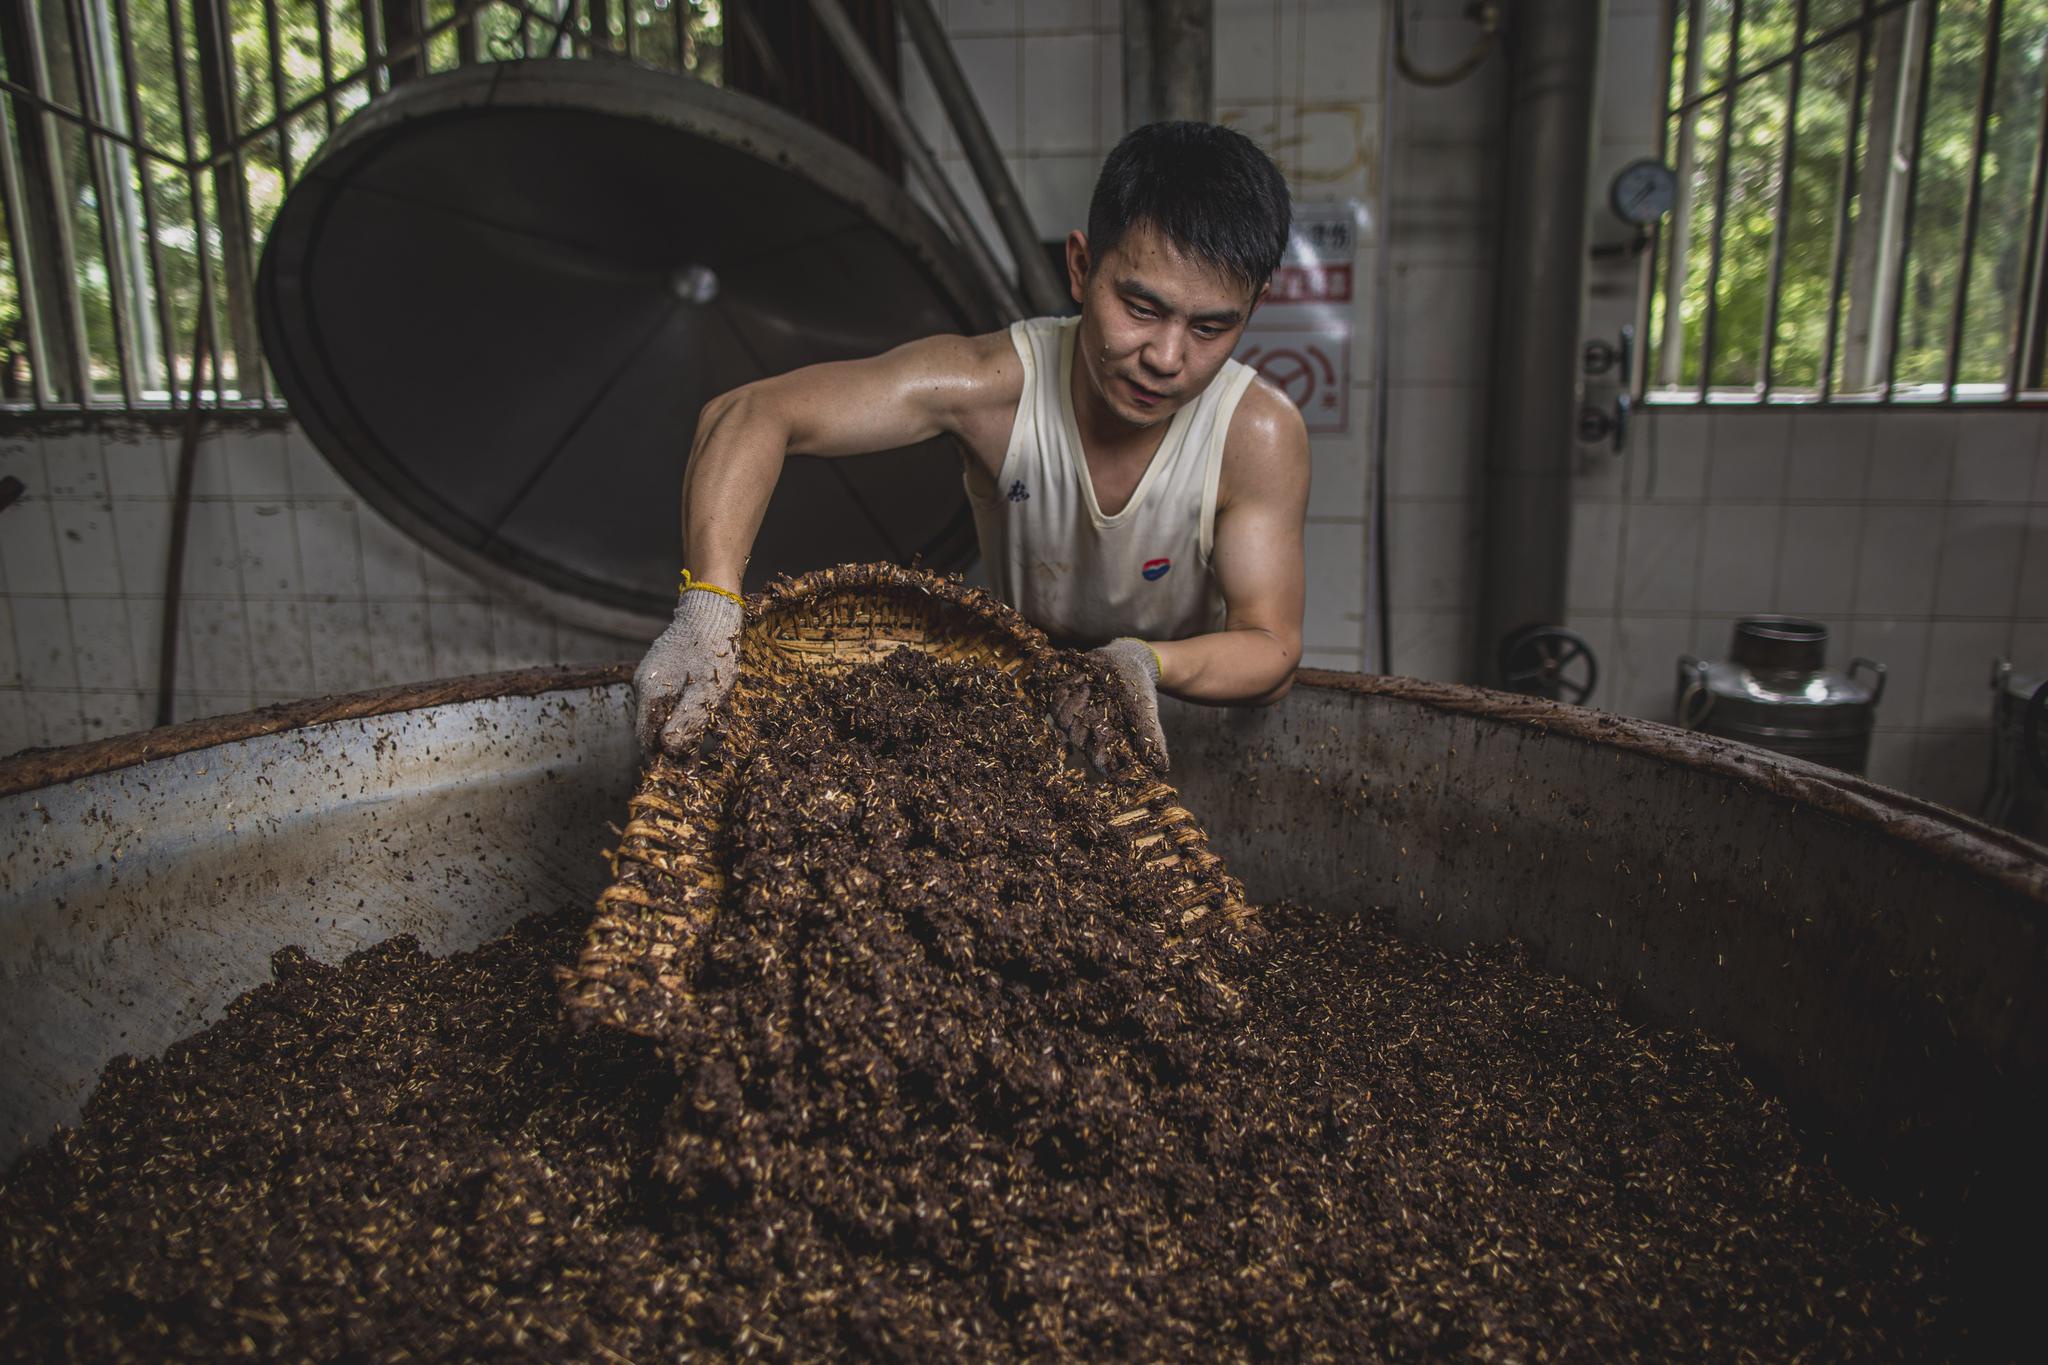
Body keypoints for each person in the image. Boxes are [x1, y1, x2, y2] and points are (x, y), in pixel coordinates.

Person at [634, 121, 1309, 770]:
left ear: (1252, 309)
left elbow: (1271, 647)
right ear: (1081, 268)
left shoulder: (1255, 434)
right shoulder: (992, 383)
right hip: (1014, 721)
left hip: (1167, 728)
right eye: (1141, 309)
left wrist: (1146, 661)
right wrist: (709, 606)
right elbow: (749, 412)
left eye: (1211, 328)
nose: (1167, 357)